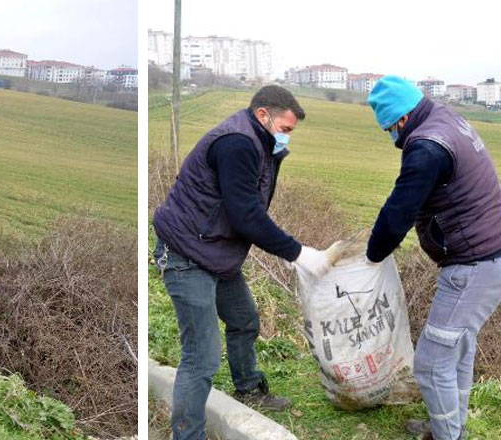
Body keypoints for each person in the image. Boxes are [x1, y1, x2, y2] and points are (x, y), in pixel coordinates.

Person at [151, 85, 331, 440]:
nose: (287, 138)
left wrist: (286, 250)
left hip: (217, 252)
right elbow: (246, 214)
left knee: (244, 319)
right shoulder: (237, 143)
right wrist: (297, 252)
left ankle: (249, 388)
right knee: (201, 357)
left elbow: (248, 209)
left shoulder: (259, 143)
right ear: (263, 115)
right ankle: (188, 435)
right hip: (187, 253)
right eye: (286, 129)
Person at [365, 76, 501, 440]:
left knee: (431, 362)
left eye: (390, 128)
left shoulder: (427, 147)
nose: (393, 137)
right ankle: (450, 428)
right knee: (458, 350)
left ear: (402, 119)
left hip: (473, 265)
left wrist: (372, 256)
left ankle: (446, 436)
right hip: (489, 258)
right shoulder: (445, 118)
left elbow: (399, 212)